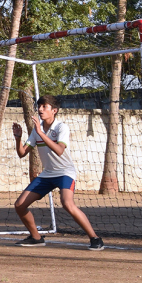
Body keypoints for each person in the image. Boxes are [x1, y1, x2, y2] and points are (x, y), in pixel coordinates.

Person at [11, 95, 104, 251]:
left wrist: (41, 133)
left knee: (67, 203)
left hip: (65, 172)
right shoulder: (37, 130)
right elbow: (22, 153)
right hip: (47, 174)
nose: (40, 109)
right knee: (20, 205)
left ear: (54, 110)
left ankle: (95, 238)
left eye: (44, 106)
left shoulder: (61, 127)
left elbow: (60, 150)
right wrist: (18, 138)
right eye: (39, 106)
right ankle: (36, 237)